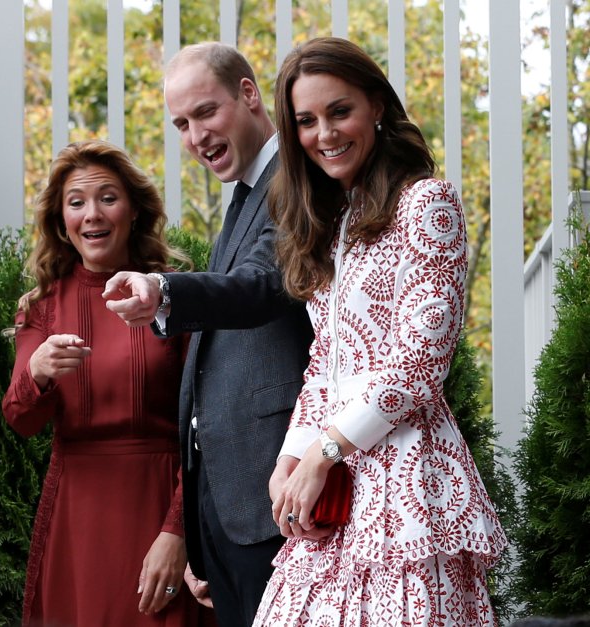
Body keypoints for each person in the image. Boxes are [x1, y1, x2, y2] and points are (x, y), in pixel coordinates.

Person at [251, 37, 506, 626]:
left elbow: (420, 362)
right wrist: (290, 459)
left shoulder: (426, 203)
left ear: (377, 107)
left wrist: (325, 452)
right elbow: (326, 363)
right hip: (331, 478)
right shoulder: (329, 225)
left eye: (340, 111)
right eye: (307, 122)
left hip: (406, 475)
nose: (326, 134)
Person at [103, 43, 314, 627]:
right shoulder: (247, 193)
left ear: (249, 94)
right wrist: (202, 530)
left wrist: (165, 291)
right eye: (181, 124)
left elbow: (263, 285)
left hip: (277, 495)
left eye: (205, 113)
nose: (195, 136)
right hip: (230, 510)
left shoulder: (296, 179)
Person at [2, 140, 213, 627]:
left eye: (108, 198)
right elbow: (20, 420)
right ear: (61, 221)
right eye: (76, 202)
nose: (92, 214)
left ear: (135, 210)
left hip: (162, 505)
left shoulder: (176, 295)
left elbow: (207, 429)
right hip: (76, 515)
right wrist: (38, 373)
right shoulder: (41, 306)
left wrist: (178, 532)